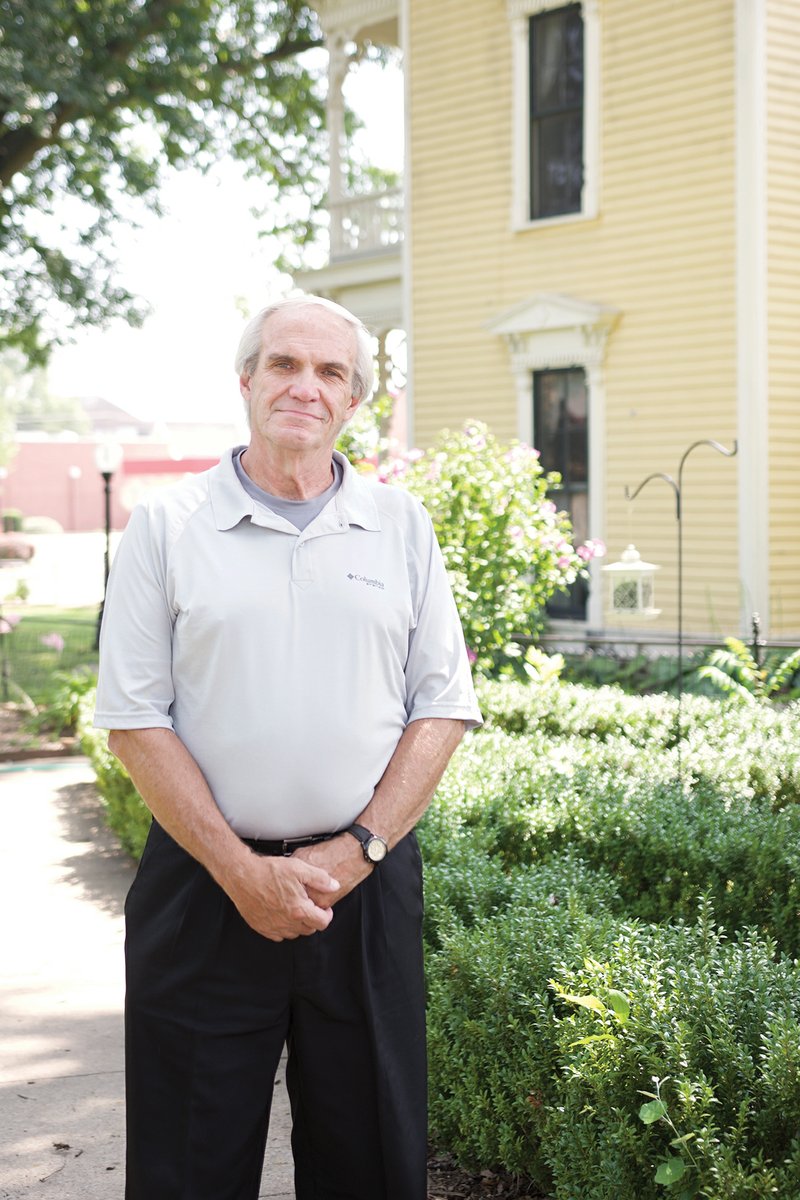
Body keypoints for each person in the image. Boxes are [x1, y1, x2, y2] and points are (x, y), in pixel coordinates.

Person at [94, 293, 482, 1200]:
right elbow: (134, 718)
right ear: (246, 381)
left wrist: (359, 851)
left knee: (374, 1163)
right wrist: (238, 869)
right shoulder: (165, 525)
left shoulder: (402, 526)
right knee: (187, 1167)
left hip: (364, 891)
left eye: (330, 373)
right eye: (284, 365)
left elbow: (442, 706)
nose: (305, 387)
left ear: (353, 403)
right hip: (203, 889)